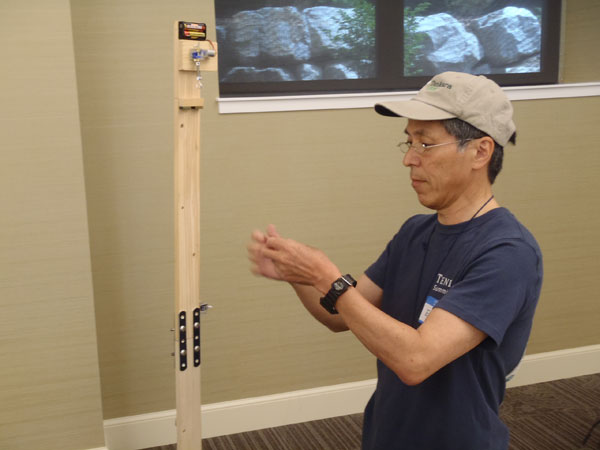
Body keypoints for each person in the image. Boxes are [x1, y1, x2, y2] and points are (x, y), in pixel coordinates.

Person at [247, 71, 543, 450]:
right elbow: (339, 315)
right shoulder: (415, 232)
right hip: (387, 431)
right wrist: (299, 275)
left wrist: (327, 278)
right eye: (408, 141)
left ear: (480, 152)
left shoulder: (508, 253)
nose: (408, 159)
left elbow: (416, 361)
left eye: (425, 144)